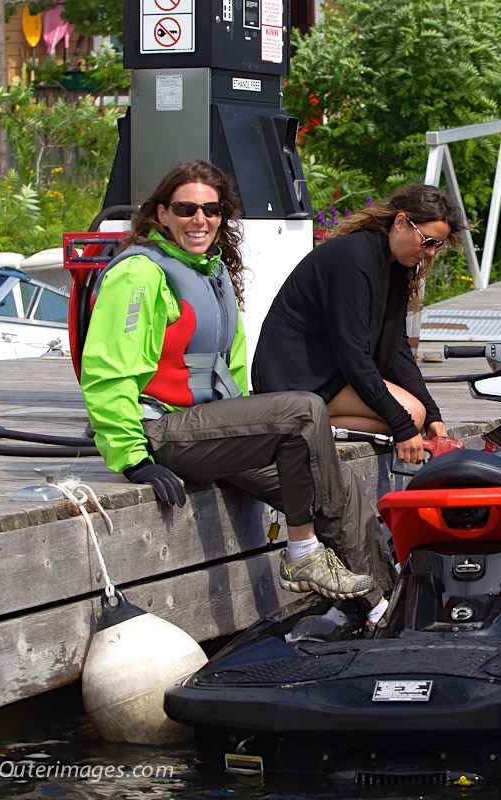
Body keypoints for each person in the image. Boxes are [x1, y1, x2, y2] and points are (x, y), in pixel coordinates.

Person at [78, 159, 395, 622]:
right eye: (186, 209)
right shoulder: (139, 275)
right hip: (161, 430)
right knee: (304, 412)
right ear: (161, 214)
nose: (199, 220)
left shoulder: (214, 272)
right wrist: (133, 460)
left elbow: (233, 370)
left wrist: (247, 427)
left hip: (212, 432)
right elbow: (107, 372)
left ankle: (381, 607)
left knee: (336, 483)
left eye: (212, 209)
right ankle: (305, 555)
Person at [252, 184, 468, 464]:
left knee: (416, 414)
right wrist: (402, 426)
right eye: (427, 241)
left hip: (328, 372)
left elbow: (397, 348)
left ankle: (308, 423)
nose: (430, 253)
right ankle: (299, 421)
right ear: (401, 222)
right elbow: (352, 355)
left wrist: (434, 415)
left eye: (437, 245)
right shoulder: (353, 258)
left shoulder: (394, 265)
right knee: (408, 416)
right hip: (294, 376)